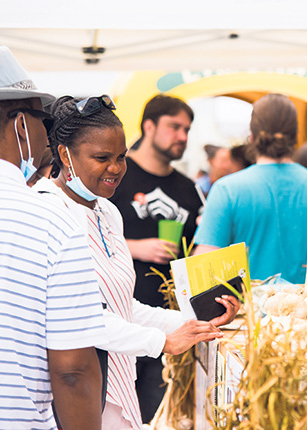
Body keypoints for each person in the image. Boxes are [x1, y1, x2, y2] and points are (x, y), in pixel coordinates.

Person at [35, 95, 239, 430]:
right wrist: (160, 342)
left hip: (114, 381)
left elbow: (122, 307)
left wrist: (192, 321)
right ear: (64, 155)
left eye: (121, 157)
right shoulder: (47, 212)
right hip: (74, 398)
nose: (115, 168)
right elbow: (77, 316)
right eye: (102, 158)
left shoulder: (107, 211)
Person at [0, 46, 107, 429]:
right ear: (20, 123)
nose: (45, 132)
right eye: (42, 118)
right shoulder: (50, 221)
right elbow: (72, 370)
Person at [108, 94, 206, 423]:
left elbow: (197, 249)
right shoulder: (116, 175)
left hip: (167, 325)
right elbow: (89, 240)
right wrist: (134, 247)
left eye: (187, 129)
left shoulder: (188, 190)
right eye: (174, 126)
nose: (182, 136)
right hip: (117, 321)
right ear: (149, 125)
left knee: (154, 416)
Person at [193, 93, 307, 284]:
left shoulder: (227, 190)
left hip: (248, 312)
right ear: (295, 136)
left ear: (251, 136)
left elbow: (204, 269)